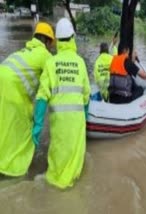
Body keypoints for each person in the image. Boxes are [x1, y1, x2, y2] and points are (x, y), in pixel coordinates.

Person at [32, 18, 90, 189]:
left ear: (56, 40)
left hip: (58, 121)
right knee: (75, 153)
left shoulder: (51, 63)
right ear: (72, 37)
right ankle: (72, 181)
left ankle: (55, 180)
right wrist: (85, 116)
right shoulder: (80, 63)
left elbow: (42, 97)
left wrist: (37, 126)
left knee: (58, 150)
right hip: (77, 119)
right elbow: (86, 95)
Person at [0, 22, 54, 177]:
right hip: (13, 89)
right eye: (51, 44)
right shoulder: (45, 55)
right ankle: (13, 171)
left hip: (2, 80)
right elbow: (53, 83)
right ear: (48, 41)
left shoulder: (24, 51)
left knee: (4, 126)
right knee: (21, 131)